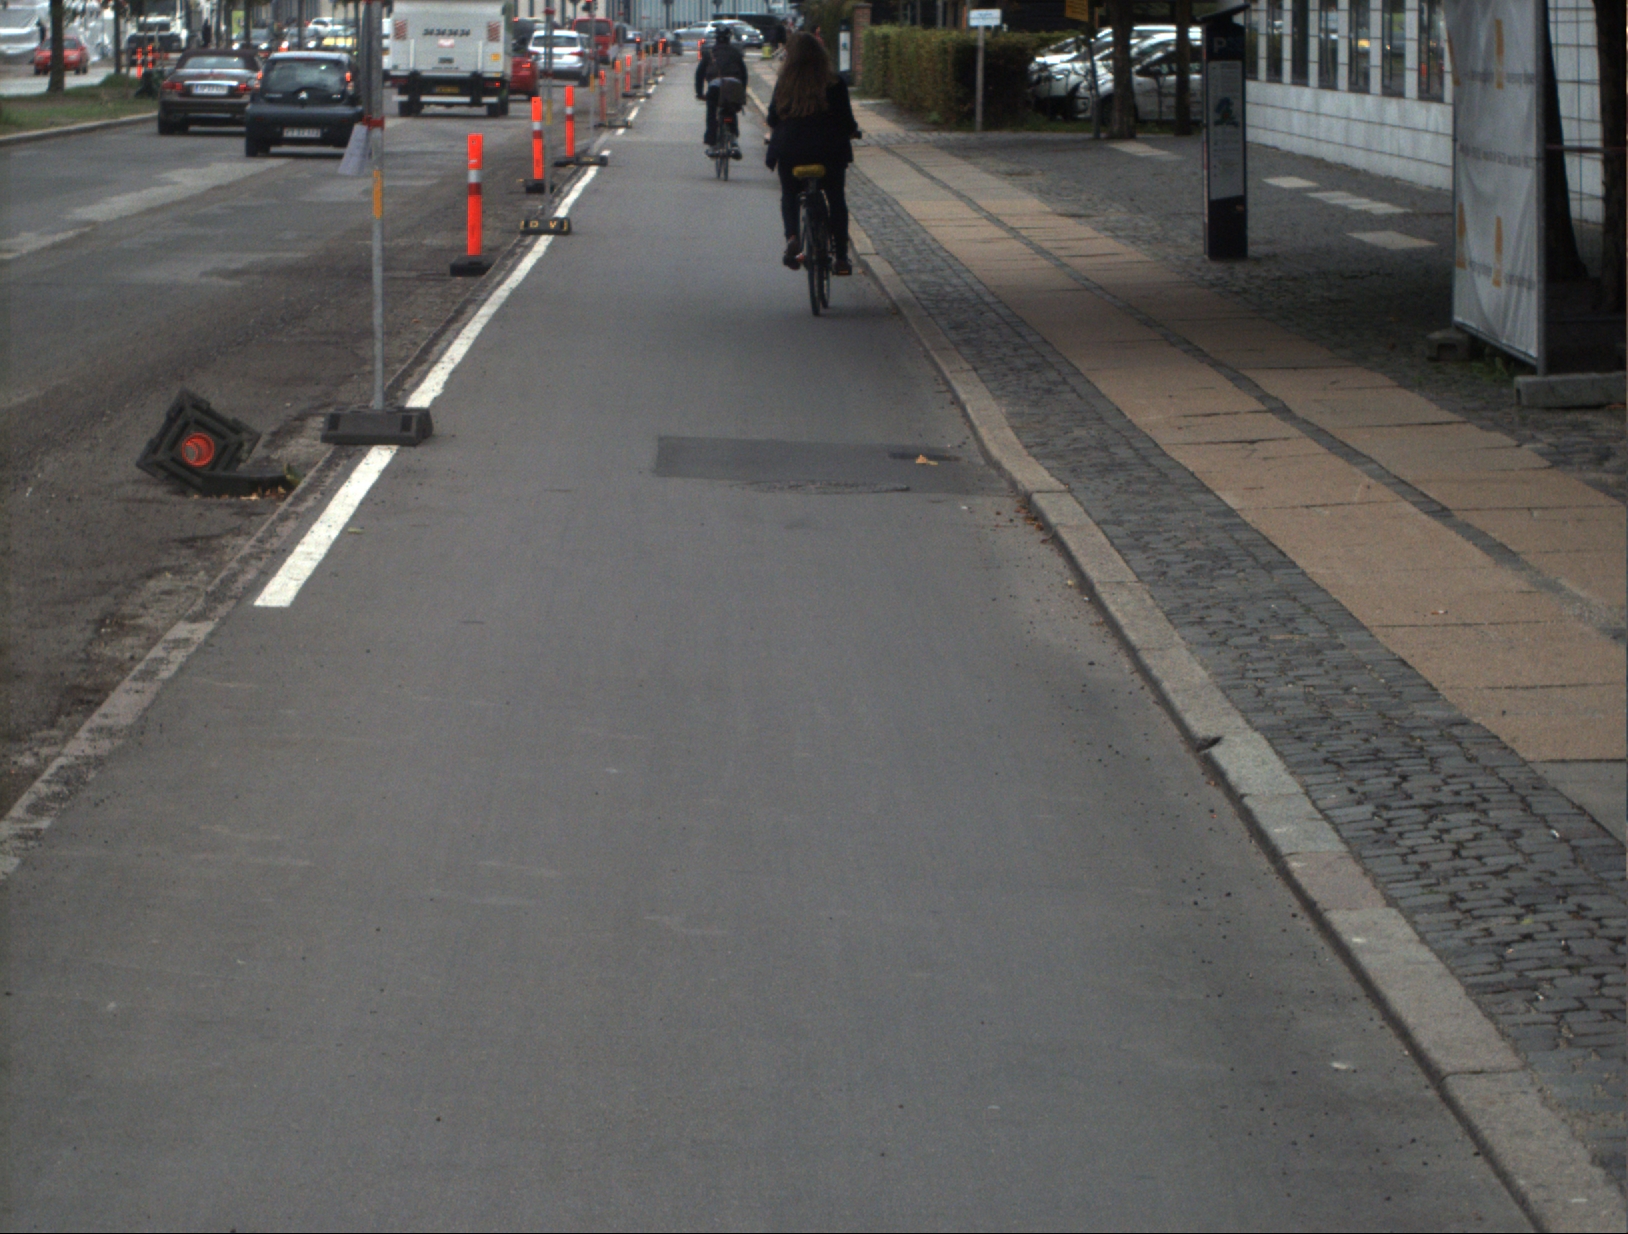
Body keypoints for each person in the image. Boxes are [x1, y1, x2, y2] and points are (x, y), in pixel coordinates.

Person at [764, 32, 860, 276]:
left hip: (791, 151)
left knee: (789, 194)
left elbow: (772, 117)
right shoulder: (835, 83)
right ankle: (841, 257)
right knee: (836, 199)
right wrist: (852, 132)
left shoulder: (785, 83)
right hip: (829, 153)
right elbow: (846, 121)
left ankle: (792, 238)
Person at [694, 26, 746, 155]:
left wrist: (699, 93)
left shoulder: (710, 53)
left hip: (715, 87)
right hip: (733, 86)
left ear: (716, 38)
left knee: (712, 113)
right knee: (731, 109)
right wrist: (742, 91)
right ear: (729, 38)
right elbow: (744, 73)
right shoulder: (735, 52)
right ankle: (734, 141)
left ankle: (712, 143)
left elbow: (699, 74)